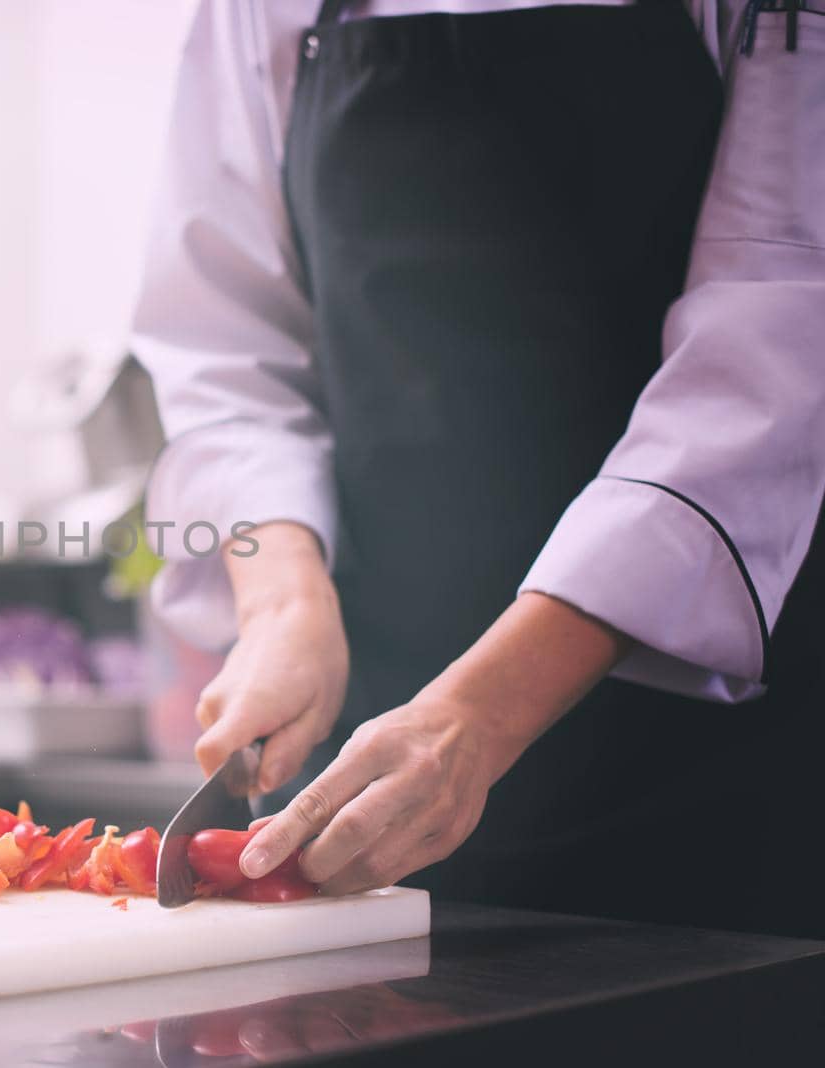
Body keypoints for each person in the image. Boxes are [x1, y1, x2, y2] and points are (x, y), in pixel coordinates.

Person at [132, 0, 825, 937]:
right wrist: (282, 606)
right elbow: (226, 359)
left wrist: (483, 715)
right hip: (362, 777)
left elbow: (774, 352)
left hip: (706, 797)